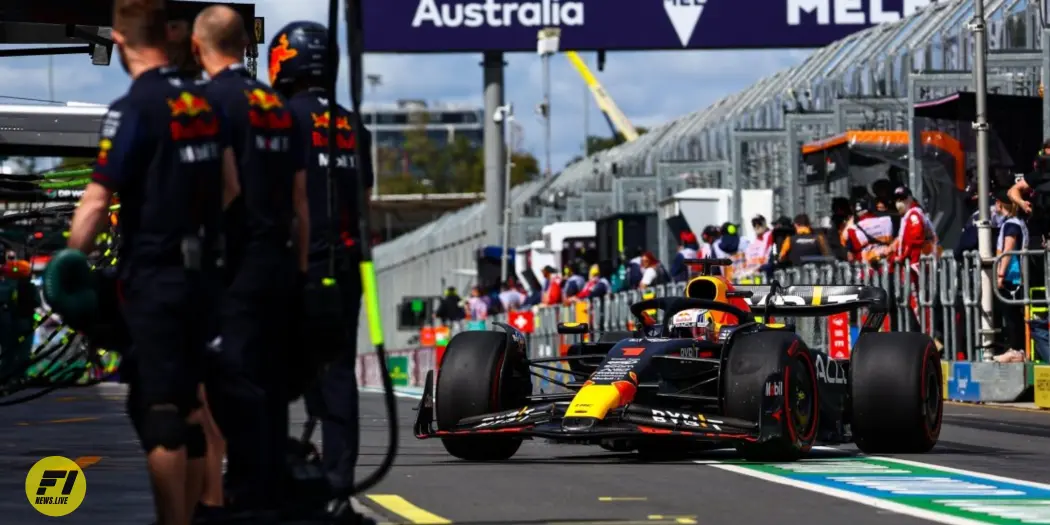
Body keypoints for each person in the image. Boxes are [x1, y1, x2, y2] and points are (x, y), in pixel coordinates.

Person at [65, 0, 239, 523]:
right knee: (191, 407)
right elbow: (231, 187)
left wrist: (68, 262)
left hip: (156, 281)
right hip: (204, 280)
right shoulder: (204, 102)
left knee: (161, 411)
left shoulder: (133, 107)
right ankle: (198, 513)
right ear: (169, 34)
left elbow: (97, 200)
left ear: (119, 41)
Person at [191, 6, 310, 519]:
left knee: (227, 389)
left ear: (197, 47)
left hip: (233, 267)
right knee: (270, 389)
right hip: (279, 265)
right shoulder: (278, 105)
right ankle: (268, 493)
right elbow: (302, 201)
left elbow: (224, 187)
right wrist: (300, 270)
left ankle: (238, 498)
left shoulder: (206, 102)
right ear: (244, 44)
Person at [270, 20, 375, 508]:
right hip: (348, 265)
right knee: (337, 373)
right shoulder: (355, 126)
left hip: (296, 263)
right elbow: (364, 200)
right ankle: (338, 485)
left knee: (269, 369)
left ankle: (271, 474)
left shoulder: (280, 118)